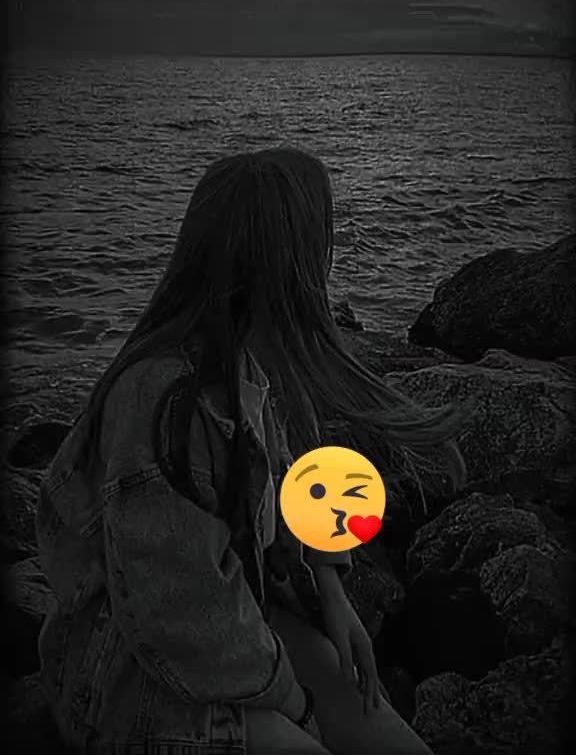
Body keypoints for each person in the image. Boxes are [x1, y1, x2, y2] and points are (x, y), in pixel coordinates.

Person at [36, 147, 467, 754]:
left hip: (227, 621)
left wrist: (332, 593)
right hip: (129, 679)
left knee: (360, 699)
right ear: (286, 264)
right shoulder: (162, 402)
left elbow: (291, 481)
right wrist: (295, 704)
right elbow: (179, 619)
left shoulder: (247, 363)